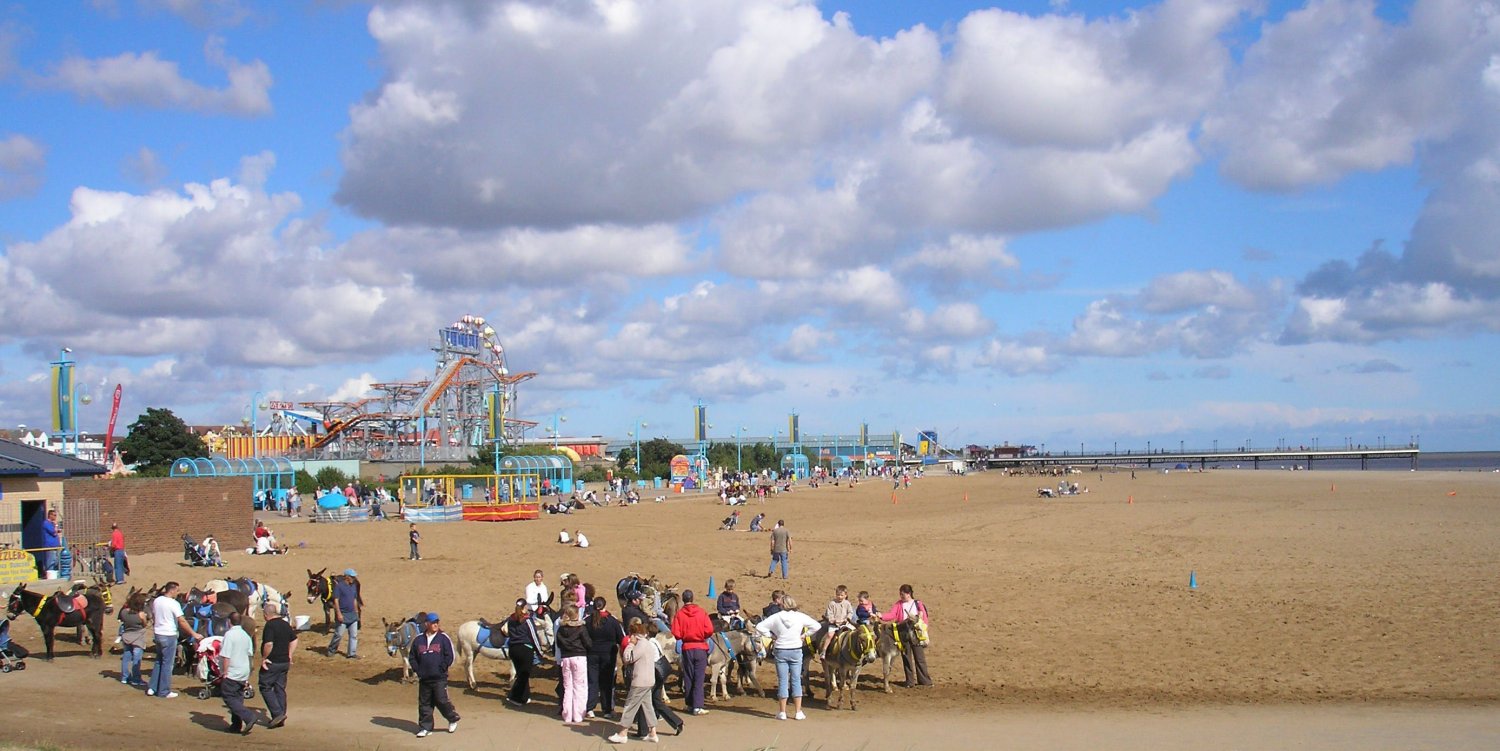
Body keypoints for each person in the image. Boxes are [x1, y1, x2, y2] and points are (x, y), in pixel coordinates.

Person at [754, 595, 821, 721]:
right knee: (796, 680)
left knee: (783, 681)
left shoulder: (776, 617)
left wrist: (772, 636)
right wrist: (804, 635)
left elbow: (759, 627)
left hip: (780, 650)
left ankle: (782, 712)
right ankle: (798, 711)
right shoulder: (800, 616)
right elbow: (817, 626)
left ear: (781, 605)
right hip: (796, 650)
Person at [408, 612, 460, 737]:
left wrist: (442, 668)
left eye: (437, 622)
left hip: (439, 678)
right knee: (424, 703)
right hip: (424, 678)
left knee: (441, 700)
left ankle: (452, 718)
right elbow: (412, 657)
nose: (435, 624)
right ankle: (425, 727)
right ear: (427, 624)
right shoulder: (419, 640)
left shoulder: (443, 638)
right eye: (432, 623)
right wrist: (417, 670)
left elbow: (450, 656)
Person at [609, 622, 661, 744]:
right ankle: (653, 732)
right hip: (648, 680)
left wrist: (630, 645)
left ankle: (623, 733)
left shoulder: (640, 645)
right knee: (648, 706)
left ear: (634, 634)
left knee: (629, 706)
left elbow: (628, 659)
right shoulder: (648, 644)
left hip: (640, 681)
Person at [149, 581, 202, 698]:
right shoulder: (174, 604)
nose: (178, 593)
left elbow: (153, 615)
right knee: (167, 664)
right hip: (169, 635)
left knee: (159, 661)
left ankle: (152, 688)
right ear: (172, 590)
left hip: (158, 634)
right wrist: (194, 634)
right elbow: (182, 621)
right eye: (177, 590)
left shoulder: (157, 600)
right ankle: (164, 691)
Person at [669, 589, 713, 716]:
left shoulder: (680, 614)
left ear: (683, 599)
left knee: (688, 676)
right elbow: (709, 630)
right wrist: (701, 635)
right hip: (700, 647)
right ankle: (697, 706)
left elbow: (676, 633)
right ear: (692, 598)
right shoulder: (701, 612)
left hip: (687, 647)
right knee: (699, 677)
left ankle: (689, 704)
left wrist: (684, 635)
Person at [878, 584, 932, 688]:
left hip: (915, 634)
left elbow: (924, 617)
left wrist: (923, 629)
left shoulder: (918, 603)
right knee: (906, 657)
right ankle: (910, 681)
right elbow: (892, 615)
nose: (901, 596)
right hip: (902, 634)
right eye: (900, 594)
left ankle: (924, 680)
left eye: (903, 594)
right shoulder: (899, 604)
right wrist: (881, 616)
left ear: (909, 594)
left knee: (919, 657)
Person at [258, 601, 297, 729]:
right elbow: (294, 639)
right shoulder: (285, 624)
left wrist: (264, 658)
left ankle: (277, 713)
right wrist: (290, 655)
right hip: (284, 662)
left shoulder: (270, 626)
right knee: (280, 688)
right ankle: (281, 715)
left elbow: (269, 644)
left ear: (266, 614)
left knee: (265, 686)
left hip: (272, 662)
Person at [584, 596, 624, 718]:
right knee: (607, 683)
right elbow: (621, 639)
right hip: (608, 656)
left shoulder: (588, 621)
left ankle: (589, 708)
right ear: (604, 605)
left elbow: (584, 637)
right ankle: (607, 709)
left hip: (592, 654)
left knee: (592, 681)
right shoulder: (612, 621)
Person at [220, 611, 257, 735]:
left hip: (233, 671)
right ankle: (236, 725)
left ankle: (248, 716)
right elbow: (250, 654)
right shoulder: (246, 635)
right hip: (244, 670)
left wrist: (224, 672)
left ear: (229, 622)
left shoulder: (229, 635)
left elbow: (226, 656)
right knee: (238, 697)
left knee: (228, 696)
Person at [555, 604, 592, 725]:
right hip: (579, 657)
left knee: (568, 687)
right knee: (579, 686)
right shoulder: (581, 628)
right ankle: (578, 715)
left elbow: (559, 644)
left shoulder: (561, 628)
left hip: (566, 658)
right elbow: (588, 643)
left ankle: (567, 714)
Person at [501, 599, 539, 706]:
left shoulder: (511, 619)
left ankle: (525, 697)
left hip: (513, 649)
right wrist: (539, 652)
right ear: (524, 607)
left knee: (521, 673)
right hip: (525, 650)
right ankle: (514, 697)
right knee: (524, 675)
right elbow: (534, 637)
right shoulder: (527, 620)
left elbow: (507, 632)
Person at [328, 569, 361, 659]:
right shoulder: (339, 587)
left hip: (352, 614)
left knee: (354, 635)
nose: (354, 579)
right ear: (347, 577)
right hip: (343, 614)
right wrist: (338, 613)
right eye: (352, 577)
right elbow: (336, 601)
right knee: (338, 634)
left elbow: (354, 599)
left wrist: (356, 611)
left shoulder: (353, 586)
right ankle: (332, 649)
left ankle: (351, 653)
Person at [118, 591, 149, 687]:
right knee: (136, 660)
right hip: (138, 638)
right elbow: (144, 624)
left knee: (126, 657)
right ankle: (136, 679)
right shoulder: (141, 614)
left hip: (126, 636)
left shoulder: (124, 612)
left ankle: (124, 677)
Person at [818, 585, 855, 659]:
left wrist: (847, 619)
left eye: (842, 595)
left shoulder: (847, 603)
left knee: (854, 632)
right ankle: (824, 651)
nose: (840, 597)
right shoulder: (832, 603)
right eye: (838, 595)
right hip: (834, 624)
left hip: (845, 623)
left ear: (845, 595)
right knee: (830, 635)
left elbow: (850, 612)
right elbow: (829, 613)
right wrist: (833, 620)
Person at [39, 509, 61, 574]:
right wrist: (56, 526)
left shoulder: (52, 524)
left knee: (56, 561)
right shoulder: (46, 523)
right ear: (50, 515)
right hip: (50, 546)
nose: (55, 517)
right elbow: (54, 533)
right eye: (54, 515)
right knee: (51, 561)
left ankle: (55, 574)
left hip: (56, 546)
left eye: (56, 515)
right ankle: (49, 574)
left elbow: (56, 532)